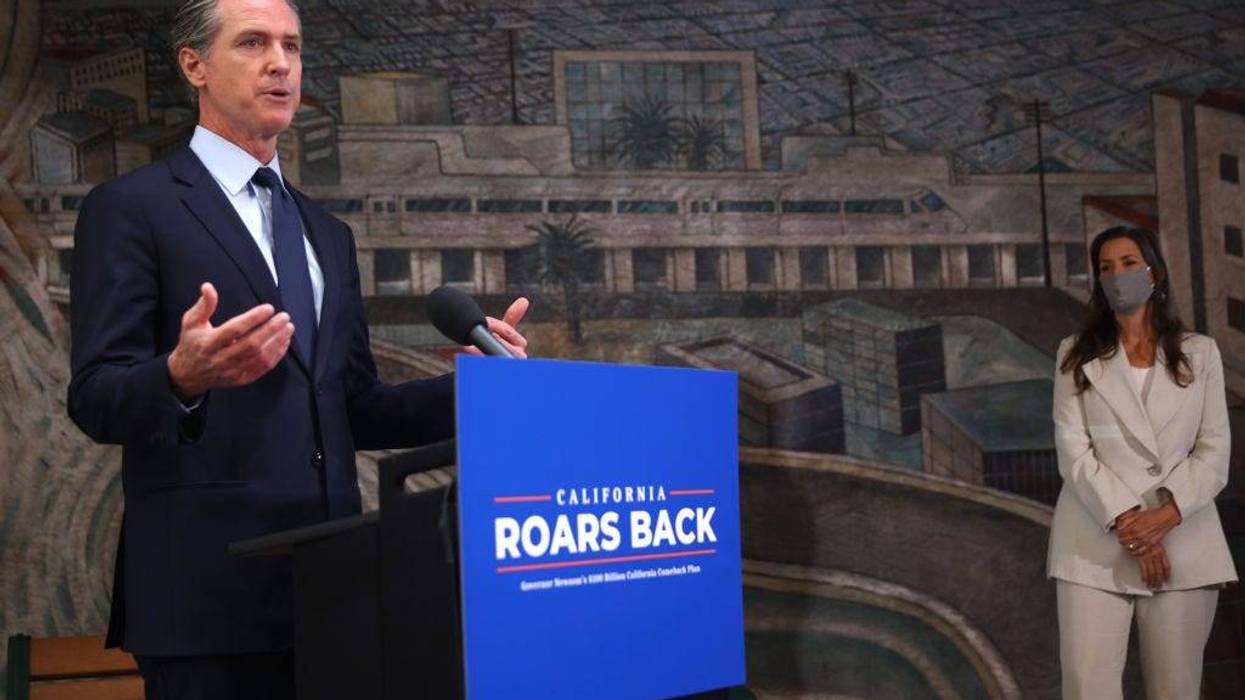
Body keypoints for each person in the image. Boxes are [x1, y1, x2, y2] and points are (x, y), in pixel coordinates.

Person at [66, 0, 528, 697]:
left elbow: (353, 408)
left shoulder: (325, 233)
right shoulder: (131, 207)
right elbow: (96, 396)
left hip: (336, 588)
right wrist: (181, 376)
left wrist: (475, 389)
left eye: (291, 45)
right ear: (194, 65)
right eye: (253, 43)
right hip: (205, 599)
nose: (280, 64)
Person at [1047, 225, 1236, 700]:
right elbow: (1073, 451)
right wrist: (1132, 524)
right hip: (1094, 542)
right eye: (1106, 267)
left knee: (1177, 690)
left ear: (1154, 271)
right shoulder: (1075, 354)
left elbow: (1213, 451)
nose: (1117, 275)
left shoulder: (1201, 353)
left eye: (1128, 263)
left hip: (1184, 541)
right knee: (1088, 689)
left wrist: (1164, 517)